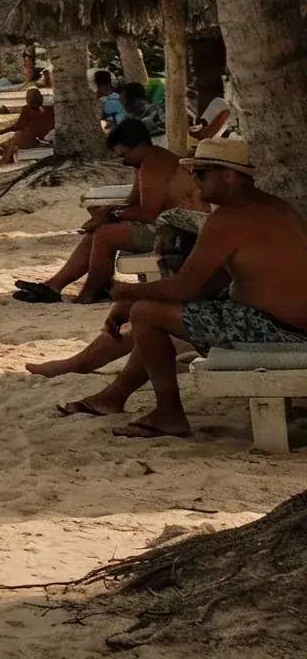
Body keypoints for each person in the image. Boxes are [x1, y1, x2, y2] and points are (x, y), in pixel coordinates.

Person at [24, 142, 307, 438]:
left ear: (229, 176)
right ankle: (114, 396)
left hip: (280, 329)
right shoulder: (278, 207)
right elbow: (214, 283)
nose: (194, 181)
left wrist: (124, 293)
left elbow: (183, 287)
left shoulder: (228, 219)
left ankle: (168, 413)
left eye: (201, 174)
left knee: (146, 314)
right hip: (282, 320)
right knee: (154, 316)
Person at [13, 121, 188, 304]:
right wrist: (105, 211)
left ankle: (91, 292)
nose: (123, 161)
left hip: (174, 231)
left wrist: (113, 215)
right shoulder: (144, 163)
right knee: (98, 232)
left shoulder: (153, 165)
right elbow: (132, 202)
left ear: (138, 145)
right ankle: (53, 286)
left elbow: (149, 214)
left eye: (124, 154)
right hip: (165, 224)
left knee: (105, 236)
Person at [0, 87, 55, 163]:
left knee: (18, 135)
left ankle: (5, 154)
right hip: (43, 138)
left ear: (27, 100)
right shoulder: (49, 109)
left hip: (34, 140)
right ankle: (5, 149)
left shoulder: (27, 109)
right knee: (19, 134)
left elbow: (17, 126)